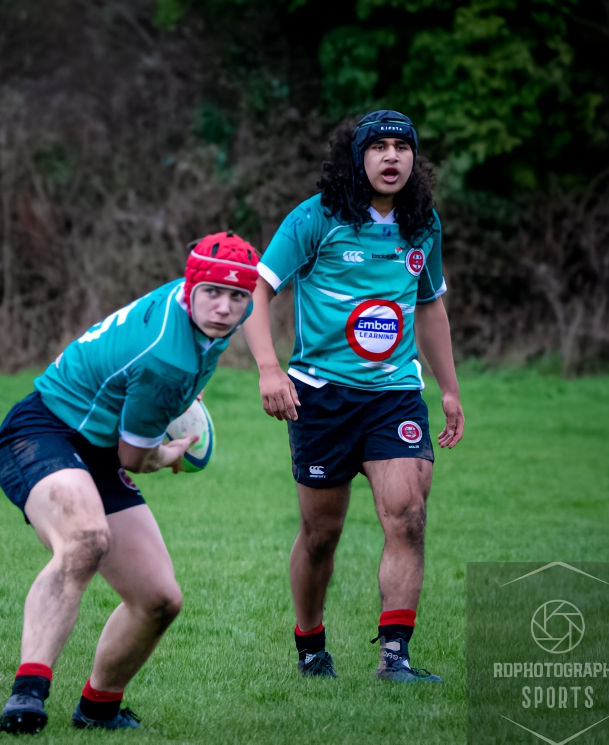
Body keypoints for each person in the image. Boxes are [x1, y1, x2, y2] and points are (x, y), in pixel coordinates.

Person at [0, 232, 260, 734]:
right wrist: (168, 453)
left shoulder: (193, 314)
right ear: (191, 286)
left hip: (97, 444)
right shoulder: (168, 356)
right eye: (213, 293)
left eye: (237, 297)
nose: (224, 308)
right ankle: (26, 695)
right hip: (44, 431)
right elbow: (134, 457)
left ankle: (98, 709)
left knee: (160, 598)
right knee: (85, 542)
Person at [242, 110, 464, 683]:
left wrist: (449, 390)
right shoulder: (316, 219)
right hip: (320, 398)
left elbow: (431, 304)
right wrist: (270, 369)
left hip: (394, 395)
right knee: (322, 535)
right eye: (380, 147)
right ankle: (311, 644)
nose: (392, 158)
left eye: (402, 148)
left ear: (415, 160)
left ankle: (396, 657)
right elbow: (257, 293)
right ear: (358, 158)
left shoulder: (423, 223)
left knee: (408, 515)